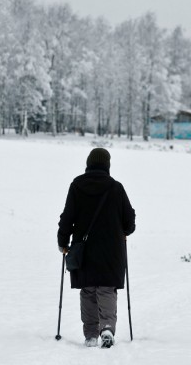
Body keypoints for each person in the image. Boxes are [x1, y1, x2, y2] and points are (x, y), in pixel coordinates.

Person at [57, 148, 136, 348]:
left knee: (88, 289)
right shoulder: (115, 188)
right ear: (107, 164)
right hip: (111, 250)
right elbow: (129, 220)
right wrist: (126, 229)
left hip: (84, 249)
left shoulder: (77, 185)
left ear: (88, 163)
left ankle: (91, 334)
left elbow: (67, 217)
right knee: (106, 288)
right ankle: (107, 328)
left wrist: (62, 241)